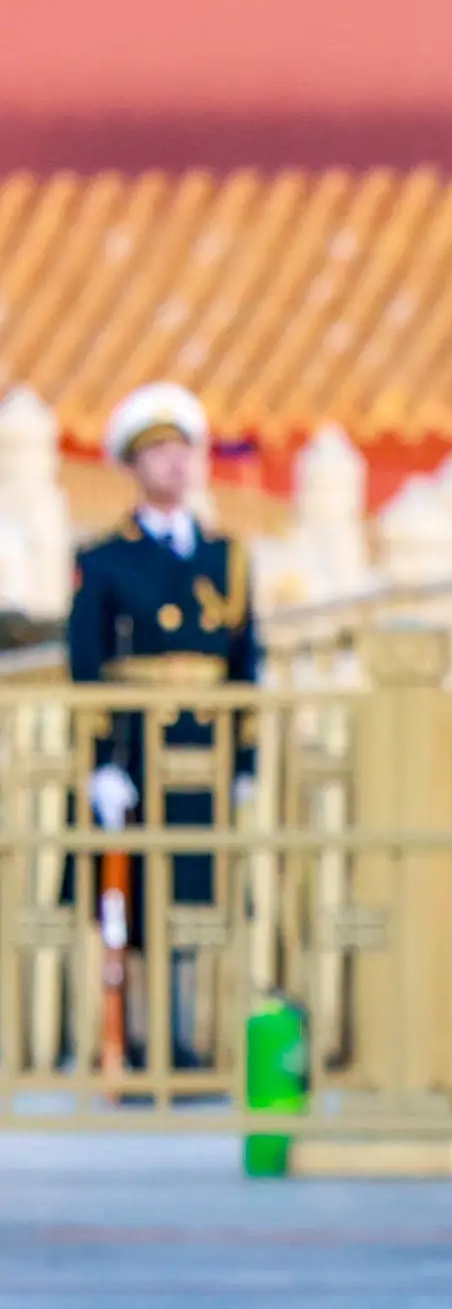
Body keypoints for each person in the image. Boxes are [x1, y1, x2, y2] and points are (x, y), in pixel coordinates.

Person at [71, 383, 258, 1070]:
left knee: (195, 890)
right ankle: (142, 1037)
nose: (176, 466)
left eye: (184, 451)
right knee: (136, 901)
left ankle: (190, 1034)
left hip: (202, 747)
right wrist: (101, 762)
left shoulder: (224, 556)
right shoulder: (104, 559)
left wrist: (245, 764)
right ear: (133, 466)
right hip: (136, 750)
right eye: (159, 454)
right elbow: (87, 666)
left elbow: (246, 664)